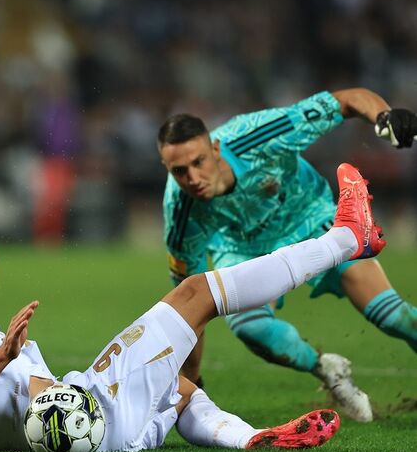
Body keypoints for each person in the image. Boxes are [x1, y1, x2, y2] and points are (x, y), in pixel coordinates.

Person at [0, 162, 382, 452]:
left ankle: (250, 439)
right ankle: (346, 239)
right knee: (195, 294)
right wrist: (1, 358)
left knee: (179, 389)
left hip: (81, 426)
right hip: (80, 417)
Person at [158, 89, 417, 422]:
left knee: (391, 315)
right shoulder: (180, 216)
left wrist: (384, 115)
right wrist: (192, 380)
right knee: (251, 328)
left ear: (215, 149)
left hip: (310, 219)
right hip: (242, 248)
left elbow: (345, 100)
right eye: (179, 171)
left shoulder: (258, 135)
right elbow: (190, 306)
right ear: (166, 169)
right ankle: (326, 369)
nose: (193, 178)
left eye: (199, 162)